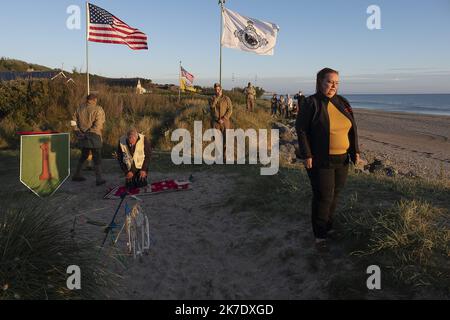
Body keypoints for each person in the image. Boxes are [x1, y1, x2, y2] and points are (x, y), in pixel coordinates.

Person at [296, 68, 361, 251]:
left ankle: (329, 227)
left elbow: (352, 128)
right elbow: (301, 130)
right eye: (329, 82)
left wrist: (355, 151)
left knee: (335, 195)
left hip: (342, 159)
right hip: (320, 160)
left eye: (337, 83)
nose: (333, 86)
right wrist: (307, 154)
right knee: (323, 196)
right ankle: (319, 236)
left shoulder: (342, 102)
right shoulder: (311, 103)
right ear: (319, 82)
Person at [71, 93, 106, 186]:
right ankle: (99, 179)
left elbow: (73, 122)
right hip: (94, 137)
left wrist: (77, 132)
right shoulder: (98, 109)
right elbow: (98, 125)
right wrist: (87, 134)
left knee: (84, 155)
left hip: (82, 136)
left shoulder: (79, 108)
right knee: (97, 157)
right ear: (95, 100)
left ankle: (77, 174)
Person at [210, 83, 233, 158]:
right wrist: (217, 97)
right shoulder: (212, 98)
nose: (217, 91)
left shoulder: (227, 98)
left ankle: (225, 156)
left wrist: (224, 118)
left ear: (221, 89)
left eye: (219, 89)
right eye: (216, 89)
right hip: (215, 122)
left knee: (226, 138)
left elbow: (230, 110)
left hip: (225, 122)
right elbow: (212, 106)